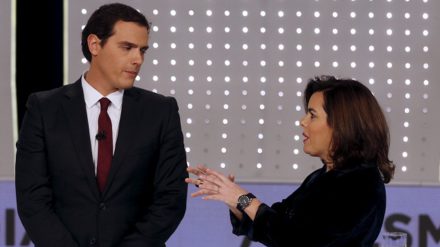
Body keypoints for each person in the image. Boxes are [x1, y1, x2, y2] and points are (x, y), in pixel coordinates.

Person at [15, 3, 188, 247]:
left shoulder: (161, 111)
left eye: (142, 50)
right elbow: (32, 198)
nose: (137, 59)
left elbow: (171, 200)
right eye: (127, 47)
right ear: (94, 44)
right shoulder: (44, 108)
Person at [186, 75, 395, 247]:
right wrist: (232, 198)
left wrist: (242, 198)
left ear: (341, 124)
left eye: (312, 115)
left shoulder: (359, 185)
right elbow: (276, 221)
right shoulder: (323, 176)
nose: (302, 122)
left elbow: (296, 238)